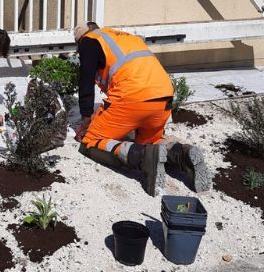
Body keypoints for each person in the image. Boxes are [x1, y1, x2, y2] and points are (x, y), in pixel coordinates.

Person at [74, 22, 210, 196]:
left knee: (90, 141)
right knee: (151, 142)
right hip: (163, 98)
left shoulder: (89, 41)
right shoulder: (125, 38)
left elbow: (85, 78)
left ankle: (143, 158)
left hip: (133, 96)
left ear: (80, 39)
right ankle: (183, 154)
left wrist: (86, 117)